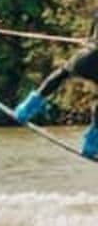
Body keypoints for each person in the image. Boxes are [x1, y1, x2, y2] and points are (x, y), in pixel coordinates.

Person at [14, 13, 98, 156]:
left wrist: (90, 39)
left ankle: (25, 109)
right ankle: (92, 143)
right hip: (92, 58)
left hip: (86, 60)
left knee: (61, 74)